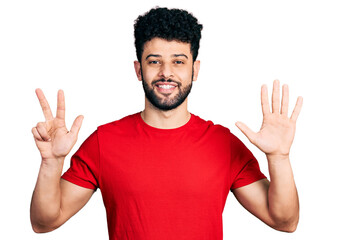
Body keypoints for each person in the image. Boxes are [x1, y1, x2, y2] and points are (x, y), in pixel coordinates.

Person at [30, 7, 303, 240]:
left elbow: (284, 221)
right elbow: (44, 222)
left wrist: (279, 157)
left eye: (178, 61)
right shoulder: (105, 141)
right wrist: (51, 164)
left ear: (195, 70)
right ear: (139, 70)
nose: (166, 73)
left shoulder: (224, 144)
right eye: (154, 61)